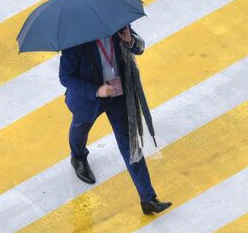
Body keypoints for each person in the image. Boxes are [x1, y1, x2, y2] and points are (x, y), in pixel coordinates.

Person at [58, 25, 172, 215]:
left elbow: (140, 47)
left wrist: (129, 40)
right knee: (80, 129)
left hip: (118, 94)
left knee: (130, 145)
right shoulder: (75, 43)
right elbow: (65, 77)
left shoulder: (117, 25)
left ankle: (148, 198)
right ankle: (78, 156)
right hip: (89, 99)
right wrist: (96, 90)